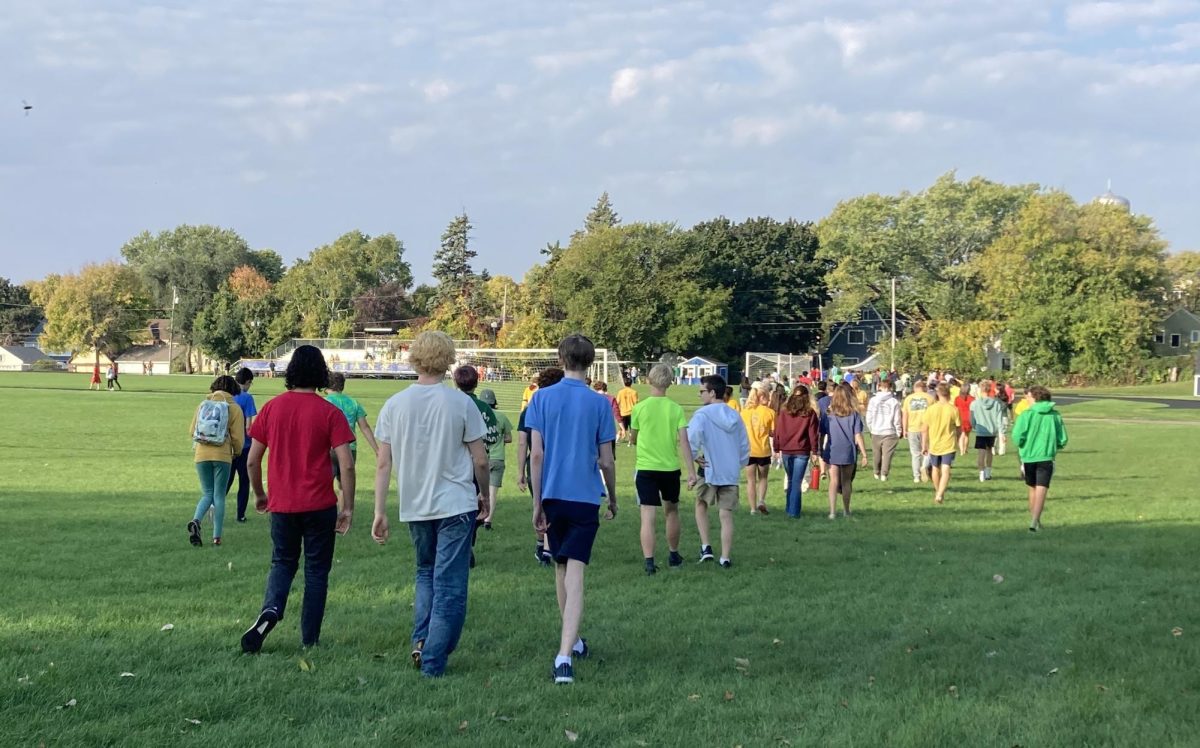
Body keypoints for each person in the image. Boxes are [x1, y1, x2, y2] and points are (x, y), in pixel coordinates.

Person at [371, 332, 490, 677]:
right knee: (450, 583)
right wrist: (483, 494)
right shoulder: (460, 403)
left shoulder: (395, 405)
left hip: (415, 504)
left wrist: (380, 510)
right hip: (455, 503)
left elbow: (382, 463)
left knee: (425, 572)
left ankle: (422, 641)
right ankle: (433, 661)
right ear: (448, 360)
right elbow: (481, 460)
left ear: (415, 359)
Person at [240, 345, 355, 654]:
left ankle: (272, 608)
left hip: (283, 504)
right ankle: (310, 639)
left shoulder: (272, 409)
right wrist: (348, 507)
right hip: (320, 505)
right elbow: (346, 463)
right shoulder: (330, 412)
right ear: (321, 374)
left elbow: (252, 461)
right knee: (316, 571)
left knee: (282, 562)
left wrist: (260, 494)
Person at [527, 334, 618, 685]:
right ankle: (565, 653)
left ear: (561, 359)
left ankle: (571, 642)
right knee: (574, 571)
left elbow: (537, 454)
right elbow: (607, 460)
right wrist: (612, 497)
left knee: (561, 568)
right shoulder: (599, 403)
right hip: (583, 496)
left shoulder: (541, 398)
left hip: (552, 495)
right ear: (590, 362)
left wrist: (537, 502)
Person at [630, 363, 696, 575]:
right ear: (670, 382)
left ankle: (649, 562)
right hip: (670, 468)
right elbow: (684, 442)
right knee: (672, 511)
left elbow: (633, 436)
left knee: (647, 516)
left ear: (649, 381)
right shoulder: (675, 409)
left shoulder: (639, 408)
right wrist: (691, 471)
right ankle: (673, 554)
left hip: (646, 467)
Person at [688, 375, 750, 567]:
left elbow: (691, 440)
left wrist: (693, 456)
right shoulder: (735, 415)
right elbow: (744, 445)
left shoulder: (702, 415)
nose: (700, 395)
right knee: (726, 513)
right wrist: (736, 464)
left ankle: (706, 546)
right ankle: (725, 556)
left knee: (700, 505)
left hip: (709, 469)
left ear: (712, 392)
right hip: (729, 471)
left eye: (702, 391)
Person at [187, 375, 246, 547]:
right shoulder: (234, 408)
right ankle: (216, 537)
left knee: (207, 493)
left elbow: (192, 431)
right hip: (222, 455)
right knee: (219, 495)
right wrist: (237, 451)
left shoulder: (202, 405)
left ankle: (196, 520)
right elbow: (237, 438)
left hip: (201, 454)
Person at [453, 365, 500, 568]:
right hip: (478, 461)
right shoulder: (484, 407)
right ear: (477, 382)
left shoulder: (452, 404)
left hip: (457, 462)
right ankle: (468, 542)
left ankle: (460, 545)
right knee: (474, 504)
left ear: (455, 382)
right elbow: (493, 435)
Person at [518, 367, 565, 565]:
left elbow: (522, 442)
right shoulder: (562, 408)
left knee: (539, 504)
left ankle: (542, 546)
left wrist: (520, 471)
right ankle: (548, 547)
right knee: (554, 505)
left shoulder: (530, 410)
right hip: (558, 462)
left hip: (535, 464)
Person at [1012, 385, 1068, 532]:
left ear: (1035, 398)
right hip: (1046, 456)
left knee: (1032, 488)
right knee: (1042, 488)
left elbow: (1017, 436)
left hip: (1028, 457)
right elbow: (1062, 438)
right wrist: (1055, 446)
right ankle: (1035, 521)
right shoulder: (1055, 415)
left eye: (1028, 397)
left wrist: (1022, 445)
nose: (1026, 399)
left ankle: (1034, 521)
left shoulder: (1026, 415)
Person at [324, 372, 381, 490]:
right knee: (344, 486)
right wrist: (377, 449)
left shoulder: (324, 403)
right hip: (350, 448)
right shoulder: (353, 403)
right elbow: (364, 427)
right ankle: (344, 508)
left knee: (324, 484)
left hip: (329, 448)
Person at [821, 383, 868, 519]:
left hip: (832, 450)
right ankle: (846, 510)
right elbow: (858, 435)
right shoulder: (854, 415)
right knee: (847, 481)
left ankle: (832, 511)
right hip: (848, 450)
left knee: (833, 481)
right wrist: (864, 454)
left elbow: (822, 433)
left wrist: (818, 449)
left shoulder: (828, 415)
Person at [773, 384, 819, 518]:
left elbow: (778, 431)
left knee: (792, 480)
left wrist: (776, 447)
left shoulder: (784, 412)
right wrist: (815, 451)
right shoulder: (809, 413)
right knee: (796, 481)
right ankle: (793, 511)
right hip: (802, 451)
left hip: (786, 450)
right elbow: (813, 434)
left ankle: (790, 508)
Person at [227, 367, 258, 523]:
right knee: (244, 481)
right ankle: (240, 514)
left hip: (228, 445)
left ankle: (213, 506)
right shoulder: (247, 398)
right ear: (247, 382)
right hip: (244, 446)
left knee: (227, 480)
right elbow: (248, 425)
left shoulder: (229, 396)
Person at [922, 383, 961, 505]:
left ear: (937, 394)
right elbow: (958, 428)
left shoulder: (930, 409)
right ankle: (940, 493)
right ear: (949, 394)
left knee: (935, 468)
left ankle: (938, 491)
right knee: (946, 470)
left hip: (934, 444)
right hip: (948, 444)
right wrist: (958, 438)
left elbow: (924, 428)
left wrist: (924, 444)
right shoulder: (953, 409)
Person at [479, 389, 513, 530]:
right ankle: (488, 520)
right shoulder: (502, 417)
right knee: (492, 493)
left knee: (479, 490)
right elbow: (509, 438)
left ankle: (477, 516)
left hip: (481, 457)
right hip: (498, 458)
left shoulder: (479, 415)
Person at [740, 386, 775, 514]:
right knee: (763, 478)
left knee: (750, 480)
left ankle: (753, 508)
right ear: (762, 397)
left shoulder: (744, 412)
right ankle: (761, 500)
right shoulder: (770, 412)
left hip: (748, 451)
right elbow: (772, 432)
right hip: (763, 450)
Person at [865, 378, 902, 481]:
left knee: (876, 453)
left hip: (876, 430)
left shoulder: (873, 400)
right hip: (889, 431)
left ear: (879, 387)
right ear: (890, 388)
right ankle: (884, 474)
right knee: (887, 455)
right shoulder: (894, 401)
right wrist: (898, 431)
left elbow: (869, 416)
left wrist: (871, 427)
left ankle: (876, 472)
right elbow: (897, 419)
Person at [901, 380, 935, 483]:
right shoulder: (930, 398)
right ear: (924, 388)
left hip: (912, 428)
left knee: (915, 453)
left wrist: (904, 429)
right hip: (927, 428)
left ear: (915, 388)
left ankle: (916, 476)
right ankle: (924, 466)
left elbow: (905, 415)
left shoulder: (908, 399)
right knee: (928, 450)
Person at [969, 385, 1005, 482]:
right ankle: (988, 472)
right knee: (989, 451)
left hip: (981, 430)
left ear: (981, 390)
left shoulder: (974, 403)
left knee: (981, 452)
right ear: (990, 391)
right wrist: (1001, 431)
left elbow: (972, 418)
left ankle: (981, 473)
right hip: (992, 431)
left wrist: (974, 425)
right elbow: (999, 419)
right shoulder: (996, 403)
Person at [616, 376, 639, 445]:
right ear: (631, 383)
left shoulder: (620, 392)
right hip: (632, 413)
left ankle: (617, 440)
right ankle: (630, 442)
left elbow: (617, 402)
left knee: (621, 427)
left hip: (623, 412)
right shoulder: (634, 392)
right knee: (631, 428)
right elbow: (636, 403)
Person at [954, 382, 975, 456]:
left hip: (960, 417)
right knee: (967, 435)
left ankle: (962, 451)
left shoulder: (957, 398)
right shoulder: (972, 399)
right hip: (969, 417)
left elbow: (955, 408)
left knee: (961, 434)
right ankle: (965, 449)